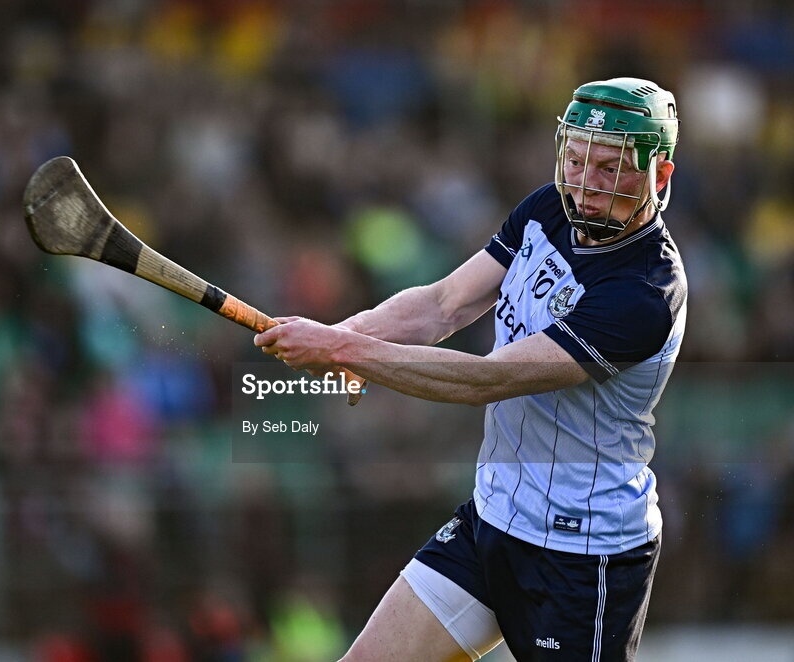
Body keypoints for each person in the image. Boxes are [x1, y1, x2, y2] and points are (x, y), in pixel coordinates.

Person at [254, 77, 686, 661]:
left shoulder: (642, 293)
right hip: (492, 521)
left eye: (610, 169)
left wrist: (343, 353)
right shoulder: (546, 211)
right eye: (578, 160)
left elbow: (490, 379)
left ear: (659, 175)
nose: (585, 186)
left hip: (584, 558)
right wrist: (347, 332)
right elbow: (441, 305)